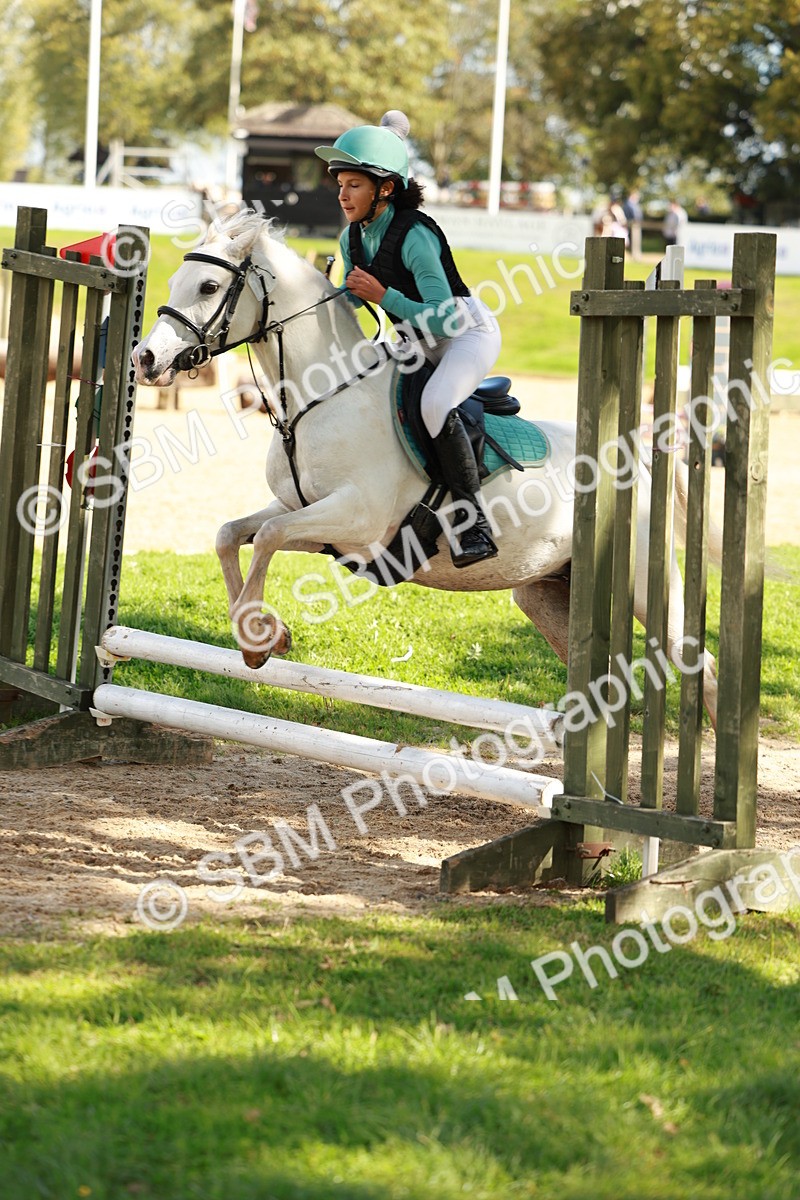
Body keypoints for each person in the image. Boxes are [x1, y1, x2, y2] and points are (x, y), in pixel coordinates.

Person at [315, 111, 501, 568]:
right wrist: (325, 297)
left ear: (385, 189)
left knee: (435, 403)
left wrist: (384, 295)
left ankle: (473, 521)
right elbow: (356, 301)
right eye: (339, 182)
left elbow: (444, 319)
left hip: (464, 334)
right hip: (412, 337)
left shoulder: (416, 235)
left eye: (354, 184)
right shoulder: (351, 238)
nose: (342, 193)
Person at [622, 189, 644, 259]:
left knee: (636, 240)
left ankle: (636, 254)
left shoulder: (635, 205)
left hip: (636, 225)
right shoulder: (627, 204)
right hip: (631, 225)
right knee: (631, 240)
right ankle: (633, 255)